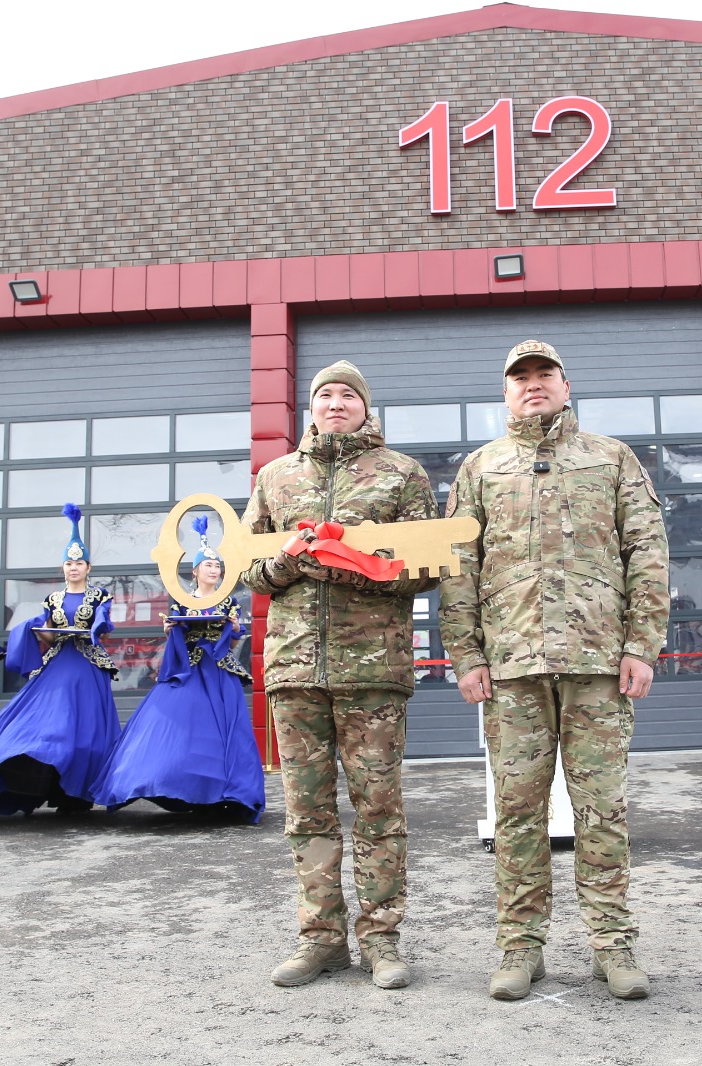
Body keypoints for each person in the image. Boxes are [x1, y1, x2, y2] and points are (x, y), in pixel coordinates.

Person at [439, 339, 670, 1002]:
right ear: (506, 392)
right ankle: (520, 947)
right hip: (513, 667)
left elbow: (647, 552)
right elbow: (458, 569)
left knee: (603, 810)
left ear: (567, 386)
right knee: (516, 813)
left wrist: (641, 645)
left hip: (598, 662)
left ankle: (612, 944)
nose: (533, 384)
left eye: (545, 374)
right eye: (521, 377)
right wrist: (467, 656)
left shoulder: (612, 458)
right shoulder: (481, 467)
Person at [242, 360, 436, 991]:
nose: (335, 403)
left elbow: (428, 568)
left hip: (373, 670)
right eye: (324, 394)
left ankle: (381, 940)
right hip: (295, 669)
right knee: (306, 812)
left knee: (378, 808)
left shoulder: (402, 474)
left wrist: (348, 562)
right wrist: (289, 562)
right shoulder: (275, 477)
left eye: (348, 395)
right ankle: (320, 939)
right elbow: (248, 567)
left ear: (365, 407)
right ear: (311, 407)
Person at [91, 515, 265, 820]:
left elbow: (233, 639)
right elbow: (175, 636)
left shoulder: (229, 603)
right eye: (208, 565)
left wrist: (236, 628)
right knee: (178, 727)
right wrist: (171, 629)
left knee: (225, 731)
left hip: (219, 672)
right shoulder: (181, 602)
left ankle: (229, 793)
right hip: (188, 671)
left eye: (218, 566)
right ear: (195, 571)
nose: (214, 570)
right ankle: (175, 786)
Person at [0, 503, 119, 814]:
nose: (73, 568)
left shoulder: (99, 596)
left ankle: (78, 793)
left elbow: (102, 629)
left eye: (79, 563)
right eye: (69, 563)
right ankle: (40, 778)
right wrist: (36, 629)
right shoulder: (53, 599)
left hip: (87, 665)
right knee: (49, 722)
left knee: (83, 728)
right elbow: (50, 635)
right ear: (63, 567)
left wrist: (96, 628)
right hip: (57, 662)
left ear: (89, 567)